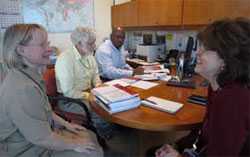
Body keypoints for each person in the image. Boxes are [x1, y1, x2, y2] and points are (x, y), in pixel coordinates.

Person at [0, 24, 103, 157]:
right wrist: (75, 144)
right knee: (93, 151)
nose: (50, 49)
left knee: (90, 137)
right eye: (42, 45)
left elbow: (44, 110)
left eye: (47, 43)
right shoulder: (23, 88)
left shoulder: (29, 76)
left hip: (41, 136)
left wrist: (67, 124)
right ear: (21, 50)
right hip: (28, 148)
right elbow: (41, 138)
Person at [154, 18, 250, 157]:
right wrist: (177, 146)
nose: (198, 52)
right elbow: (202, 134)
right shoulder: (216, 87)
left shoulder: (234, 100)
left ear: (226, 59)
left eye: (206, 49)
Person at [55, 27, 102, 114]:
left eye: (94, 42)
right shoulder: (65, 59)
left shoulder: (89, 56)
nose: (94, 46)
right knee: (98, 111)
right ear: (79, 43)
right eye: (90, 43)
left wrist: (99, 86)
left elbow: (95, 76)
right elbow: (68, 92)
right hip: (70, 100)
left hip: (88, 95)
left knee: (108, 106)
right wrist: (89, 95)